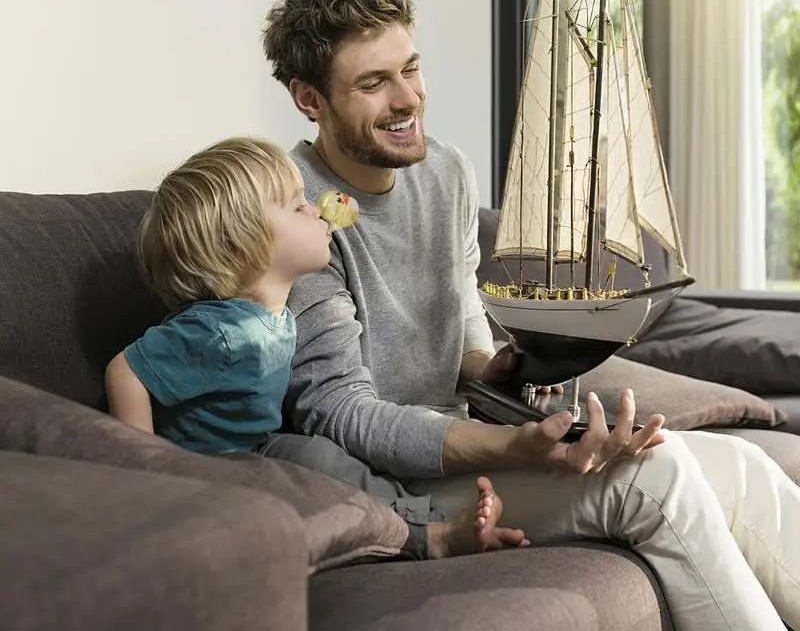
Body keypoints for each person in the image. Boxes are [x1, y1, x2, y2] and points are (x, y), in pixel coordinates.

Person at [261, 0, 800, 630]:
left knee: (740, 463)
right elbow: (339, 413)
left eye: (411, 69)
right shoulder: (296, 214)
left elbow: (461, 335)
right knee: (656, 481)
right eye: (374, 83)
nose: (408, 99)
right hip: (402, 480)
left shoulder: (446, 171)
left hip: (472, 432)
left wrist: (503, 376)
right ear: (309, 99)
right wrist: (509, 445)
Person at [104, 136, 530, 561]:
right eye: (296, 206)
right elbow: (126, 371)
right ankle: (431, 534)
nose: (315, 209)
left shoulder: (276, 314)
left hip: (258, 449)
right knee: (315, 460)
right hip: (213, 470)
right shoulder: (221, 331)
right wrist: (149, 472)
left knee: (326, 459)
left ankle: (430, 525)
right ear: (246, 246)